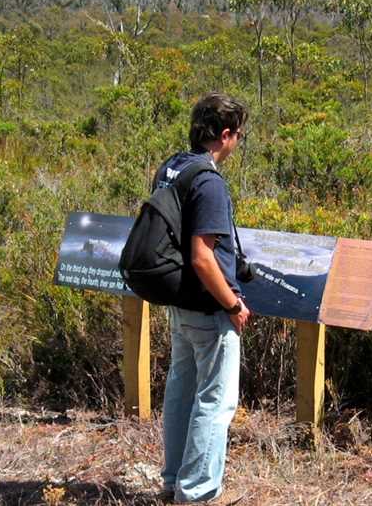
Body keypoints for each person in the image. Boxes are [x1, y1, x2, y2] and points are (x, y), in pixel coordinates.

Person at [158, 92, 251, 503]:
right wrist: (233, 304)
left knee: (181, 390)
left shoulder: (173, 166)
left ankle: (173, 480)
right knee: (215, 401)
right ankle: (195, 494)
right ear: (226, 135)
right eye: (238, 136)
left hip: (180, 304)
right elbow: (202, 256)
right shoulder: (210, 182)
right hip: (210, 308)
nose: (237, 143)